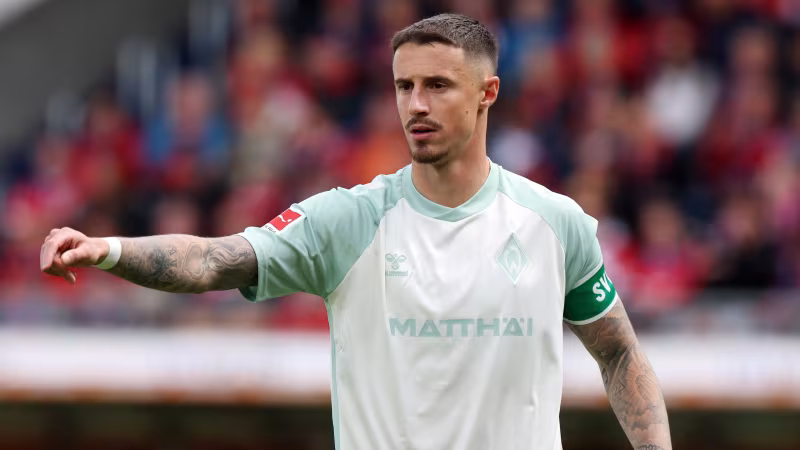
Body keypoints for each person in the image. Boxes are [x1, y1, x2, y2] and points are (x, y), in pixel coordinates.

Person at [40, 13, 671, 450]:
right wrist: (110, 250)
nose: (415, 104)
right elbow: (217, 258)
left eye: (437, 86)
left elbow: (618, 352)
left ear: (488, 93)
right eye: (404, 86)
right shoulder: (348, 221)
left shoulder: (554, 222)